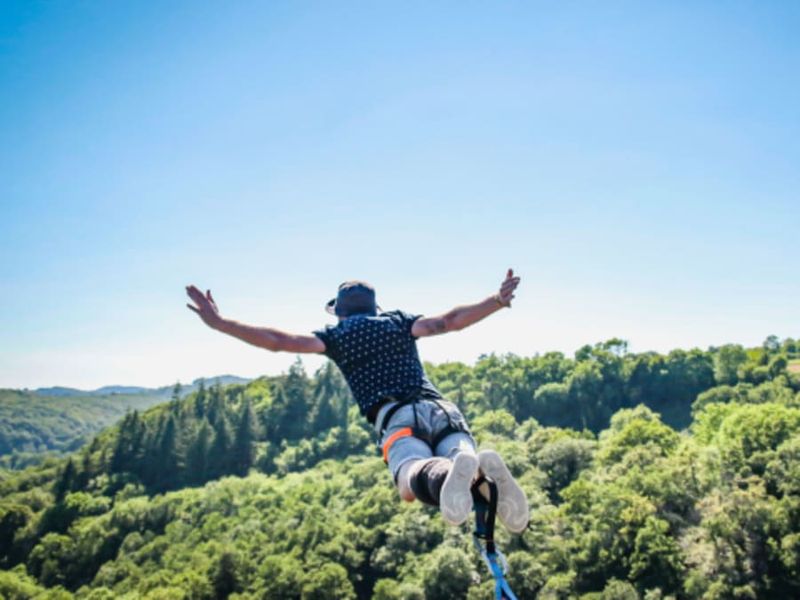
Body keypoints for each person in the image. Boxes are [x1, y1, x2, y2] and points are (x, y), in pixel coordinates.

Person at [185, 269, 529, 532]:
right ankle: (475, 469)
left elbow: (278, 341)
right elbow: (447, 322)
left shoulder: (336, 337)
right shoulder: (398, 322)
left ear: (339, 313)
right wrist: (496, 301)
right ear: (374, 308)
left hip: (397, 418)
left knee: (409, 477)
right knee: (459, 453)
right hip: (441, 411)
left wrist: (221, 323)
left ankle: (448, 475)